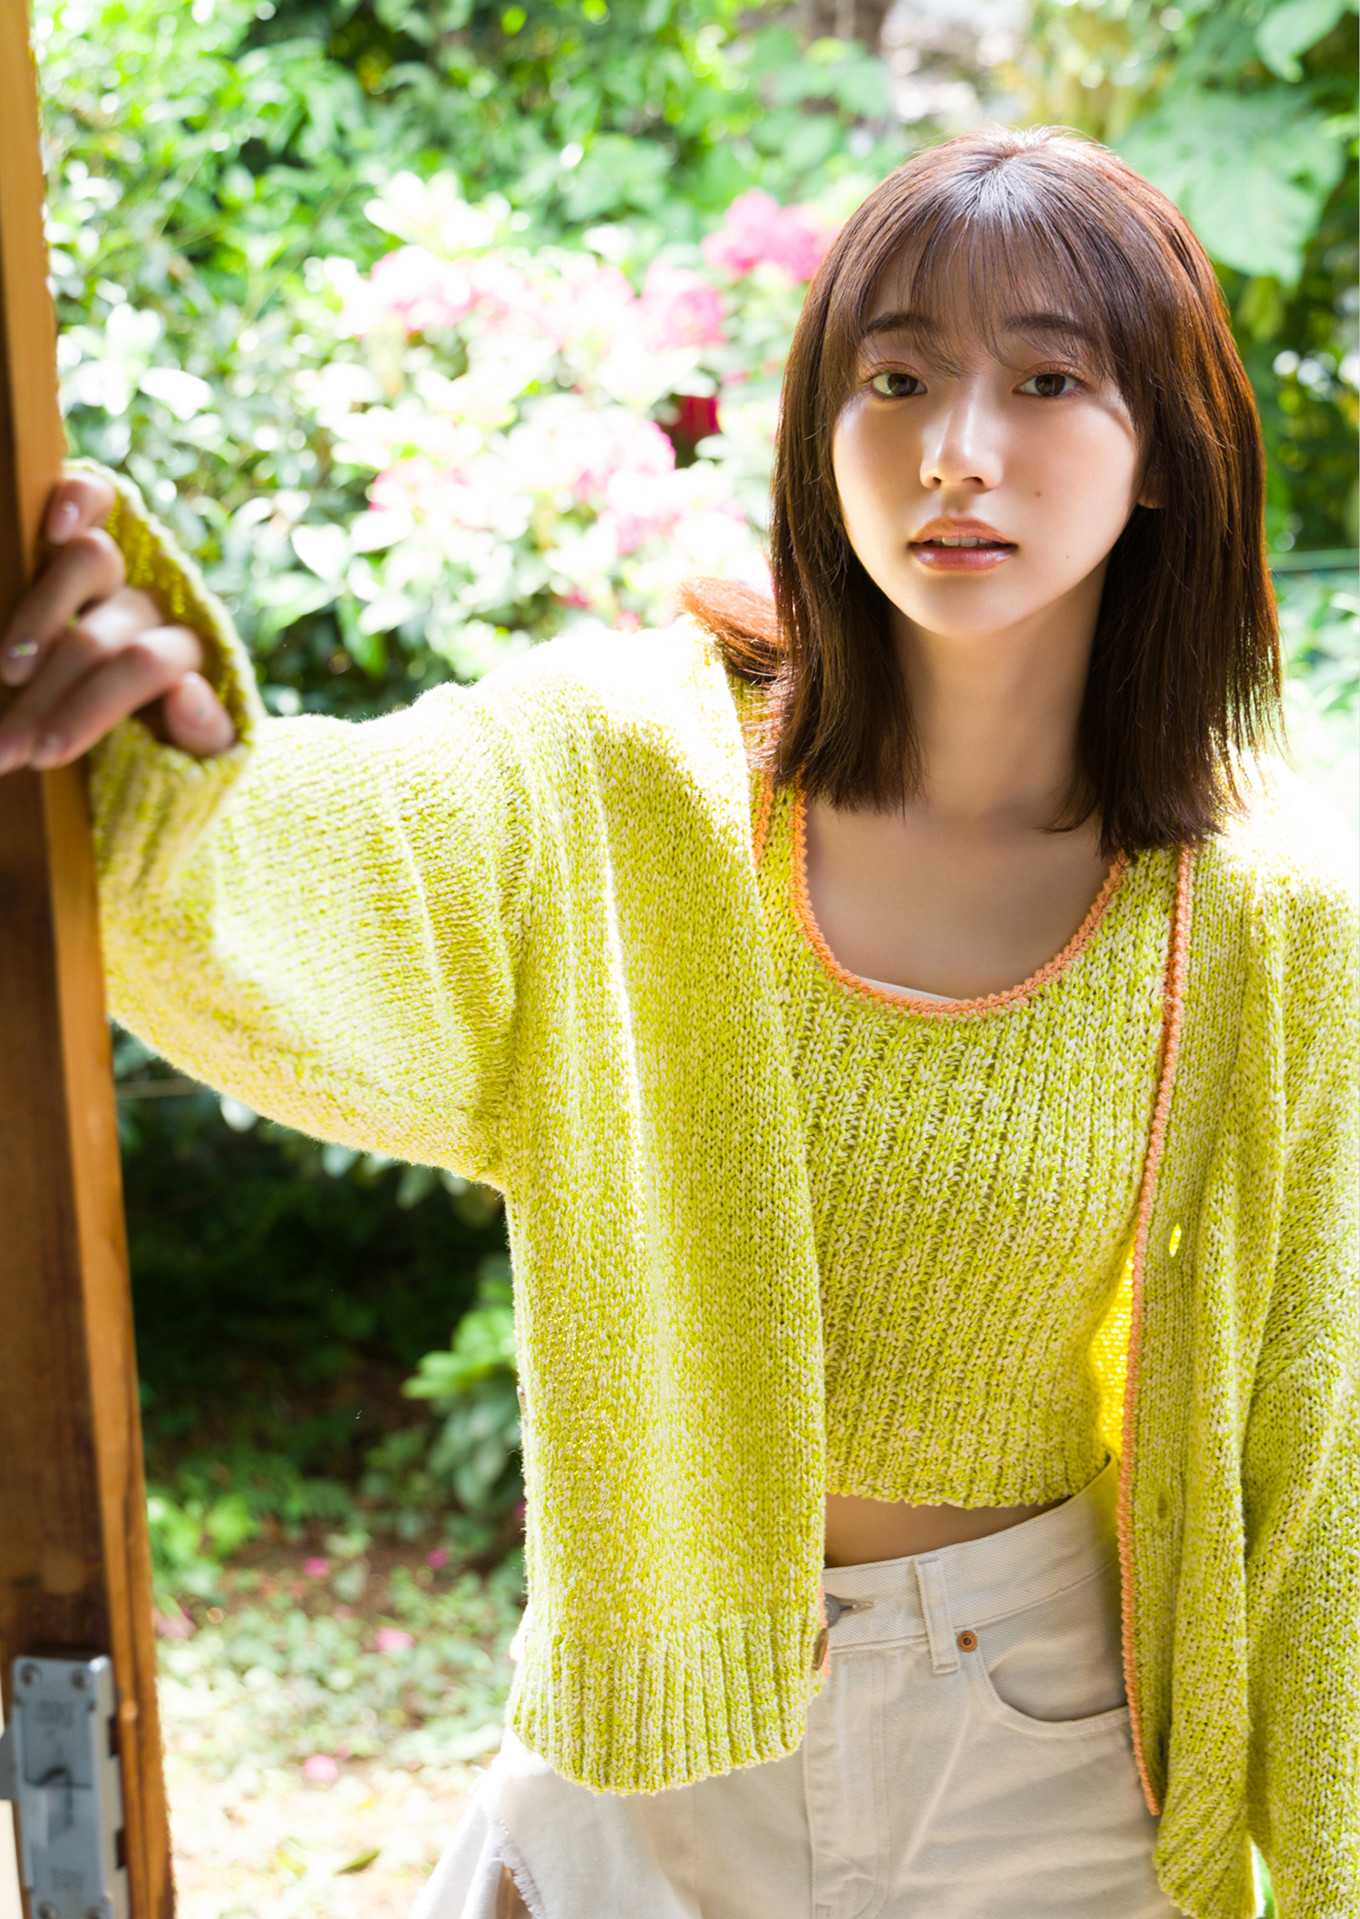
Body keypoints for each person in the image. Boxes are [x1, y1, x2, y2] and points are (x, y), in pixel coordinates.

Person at [0, 123, 1354, 1919]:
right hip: (651, 1724)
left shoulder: (1264, 921)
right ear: (819, 425)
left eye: (1046, 380)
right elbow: (302, 877)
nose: (955, 448)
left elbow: (1318, 1456)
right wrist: (159, 752)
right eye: (896, 377)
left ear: (1166, 449)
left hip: (1046, 1749)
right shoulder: (618, 776)